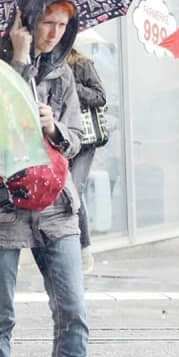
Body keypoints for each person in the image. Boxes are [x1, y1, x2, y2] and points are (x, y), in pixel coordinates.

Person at [0, 0, 120, 357]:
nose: (54, 33)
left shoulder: (62, 73)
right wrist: (18, 64)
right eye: (46, 22)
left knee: (73, 311)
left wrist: (54, 127)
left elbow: (77, 136)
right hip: (1, 208)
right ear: (25, 18)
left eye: (63, 24)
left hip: (56, 207)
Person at [66, 48, 107, 274]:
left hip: (84, 140)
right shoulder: (44, 65)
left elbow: (100, 96)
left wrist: (74, 86)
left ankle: (83, 249)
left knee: (74, 189)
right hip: (61, 138)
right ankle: (69, 248)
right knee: (62, 191)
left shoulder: (81, 64)